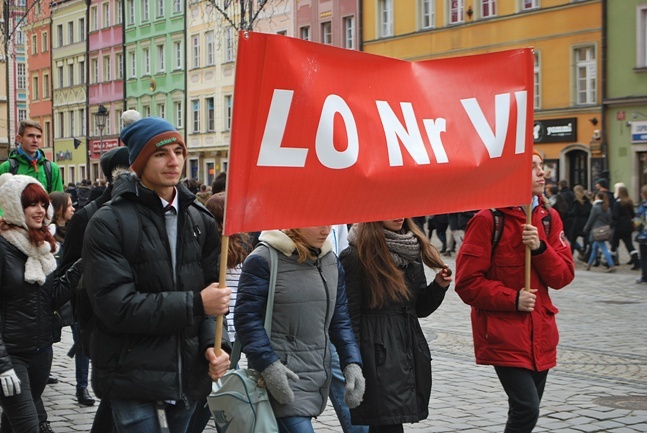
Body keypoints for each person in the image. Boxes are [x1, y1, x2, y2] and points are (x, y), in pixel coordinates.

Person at [81, 113, 232, 433]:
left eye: (178, 152)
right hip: (132, 377)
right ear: (138, 161)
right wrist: (195, 304)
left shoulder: (199, 219)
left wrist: (217, 347)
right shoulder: (109, 222)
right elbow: (115, 307)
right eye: (161, 153)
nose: (173, 161)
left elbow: (213, 298)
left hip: (186, 377)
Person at [455, 150, 574, 433]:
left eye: (542, 166)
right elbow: (467, 283)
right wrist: (513, 298)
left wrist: (541, 248)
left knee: (524, 412)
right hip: (504, 334)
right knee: (526, 408)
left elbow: (563, 276)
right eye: (533, 167)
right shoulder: (488, 220)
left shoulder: (548, 217)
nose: (542, 173)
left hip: (541, 334)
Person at [235, 226, 365, 433]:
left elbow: (340, 321)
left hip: (318, 372)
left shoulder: (330, 260)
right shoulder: (263, 259)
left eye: (329, 223)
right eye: (318, 224)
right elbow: (246, 319)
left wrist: (352, 363)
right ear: (296, 223)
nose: (326, 230)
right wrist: (269, 366)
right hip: (282, 376)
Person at [339, 218, 452, 433]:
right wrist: (353, 361)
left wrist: (438, 286)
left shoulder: (410, 250)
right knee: (388, 422)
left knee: (387, 422)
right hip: (377, 352)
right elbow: (349, 315)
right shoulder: (356, 255)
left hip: (408, 347)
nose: (398, 216)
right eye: (390, 211)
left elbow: (419, 308)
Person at [0, 173, 82, 433]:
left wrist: (82, 265)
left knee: (12, 424)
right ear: (15, 205)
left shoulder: (42, 245)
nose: (40, 210)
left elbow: (53, 298)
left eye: (43, 204)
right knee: (28, 426)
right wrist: (2, 364)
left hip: (41, 353)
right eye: (31, 204)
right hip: (11, 356)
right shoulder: (2, 247)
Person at [58, 146, 132, 432]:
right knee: (117, 396)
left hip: (137, 318)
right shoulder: (87, 215)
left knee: (123, 397)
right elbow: (66, 272)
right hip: (101, 321)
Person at [185, 191, 253, 433]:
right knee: (221, 394)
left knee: (212, 395)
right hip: (230, 332)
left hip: (220, 331)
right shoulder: (238, 247)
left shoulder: (216, 248)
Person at [0, 120, 63, 194]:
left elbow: (59, 202)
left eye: (38, 137)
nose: (35, 140)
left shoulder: (52, 168)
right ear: (19, 138)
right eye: (30, 136)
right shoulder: (7, 167)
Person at [584, 191, 616, 273]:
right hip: (604, 230)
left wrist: (586, 228)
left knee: (603, 247)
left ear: (597, 197)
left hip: (597, 231)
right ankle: (589, 264)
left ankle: (611, 264)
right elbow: (610, 220)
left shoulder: (595, 208)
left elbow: (591, 219)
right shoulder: (607, 208)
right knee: (595, 247)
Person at [611, 185, 639, 269]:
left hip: (619, 226)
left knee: (614, 244)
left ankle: (611, 260)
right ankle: (636, 260)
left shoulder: (617, 203)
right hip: (628, 225)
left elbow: (615, 215)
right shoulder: (629, 202)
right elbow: (633, 214)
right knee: (629, 244)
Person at [567, 185, 592, 260]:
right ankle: (586, 254)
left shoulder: (576, 202)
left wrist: (568, 213)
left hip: (577, 223)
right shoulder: (588, 201)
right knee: (587, 240)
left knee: (573, 241)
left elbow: (574, 212)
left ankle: (570, 256)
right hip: (586, 222)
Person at [635, 185, 647, 284]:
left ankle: (644, 276)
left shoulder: (642, 206)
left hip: (644, 236)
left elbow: (637, 222)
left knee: (643, 257)